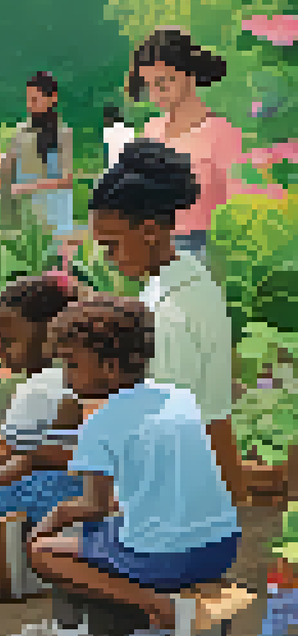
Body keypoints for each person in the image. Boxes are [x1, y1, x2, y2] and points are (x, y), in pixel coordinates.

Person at [0, 295, 241, 636]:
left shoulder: (101, 423)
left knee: (46, 549)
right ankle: (126, 623)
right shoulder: (179, 399)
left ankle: (144, 609)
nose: (66, 376)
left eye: (73, 364)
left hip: (167, 556)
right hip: (219, 547)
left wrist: (53, 519)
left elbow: (91, 506)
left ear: (109, 368)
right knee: (103, 534)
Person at [89, 139, 242, 501]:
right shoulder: (188, 278)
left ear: (150, 230)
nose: (109, 258)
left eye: (112, 245)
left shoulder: (169, 314)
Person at [0, 275, 84, 528]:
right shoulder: (94, 378)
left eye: (9, 341)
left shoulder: (40, 386)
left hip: (45, 504)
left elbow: (2, 458)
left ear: (52, 334)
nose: (0, 351)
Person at [131, 28, 245, 263]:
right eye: (149, 86)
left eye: (162, 84)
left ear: (188, 74)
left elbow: (238, 204)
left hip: (203, 250)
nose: (155, 95)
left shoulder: (220, 133)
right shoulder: (151, 130)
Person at [1, 72, 76, 264]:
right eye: (28, 99)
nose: (29, 104)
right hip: (27, 214)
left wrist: (27, 187)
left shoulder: (63, 134)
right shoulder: (21, 132)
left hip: (55, 214)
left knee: (54, 269)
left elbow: (66, 180)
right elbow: (6, 170)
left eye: (35, 99)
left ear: (53, 98)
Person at [102, 104, 136, 170]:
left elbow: (105, 149)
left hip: (113, 166)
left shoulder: (107, 131)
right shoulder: (131, 130)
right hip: (129, 165)